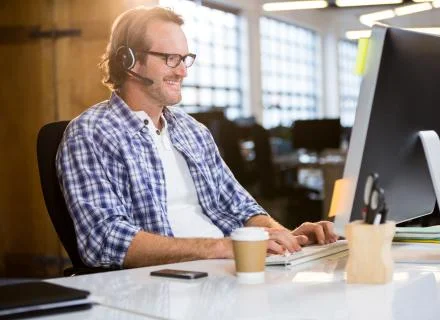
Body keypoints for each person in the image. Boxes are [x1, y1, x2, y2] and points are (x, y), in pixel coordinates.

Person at [56, 6, 338, 269]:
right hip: (169, 281)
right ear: (129, 61)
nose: (182, 71)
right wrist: (223, 247)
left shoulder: (194, 132)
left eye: (185, 59)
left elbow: (240, 206)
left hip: (227, 269)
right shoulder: (91, 133)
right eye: (170, 59)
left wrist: (285, 236)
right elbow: (105, 240)